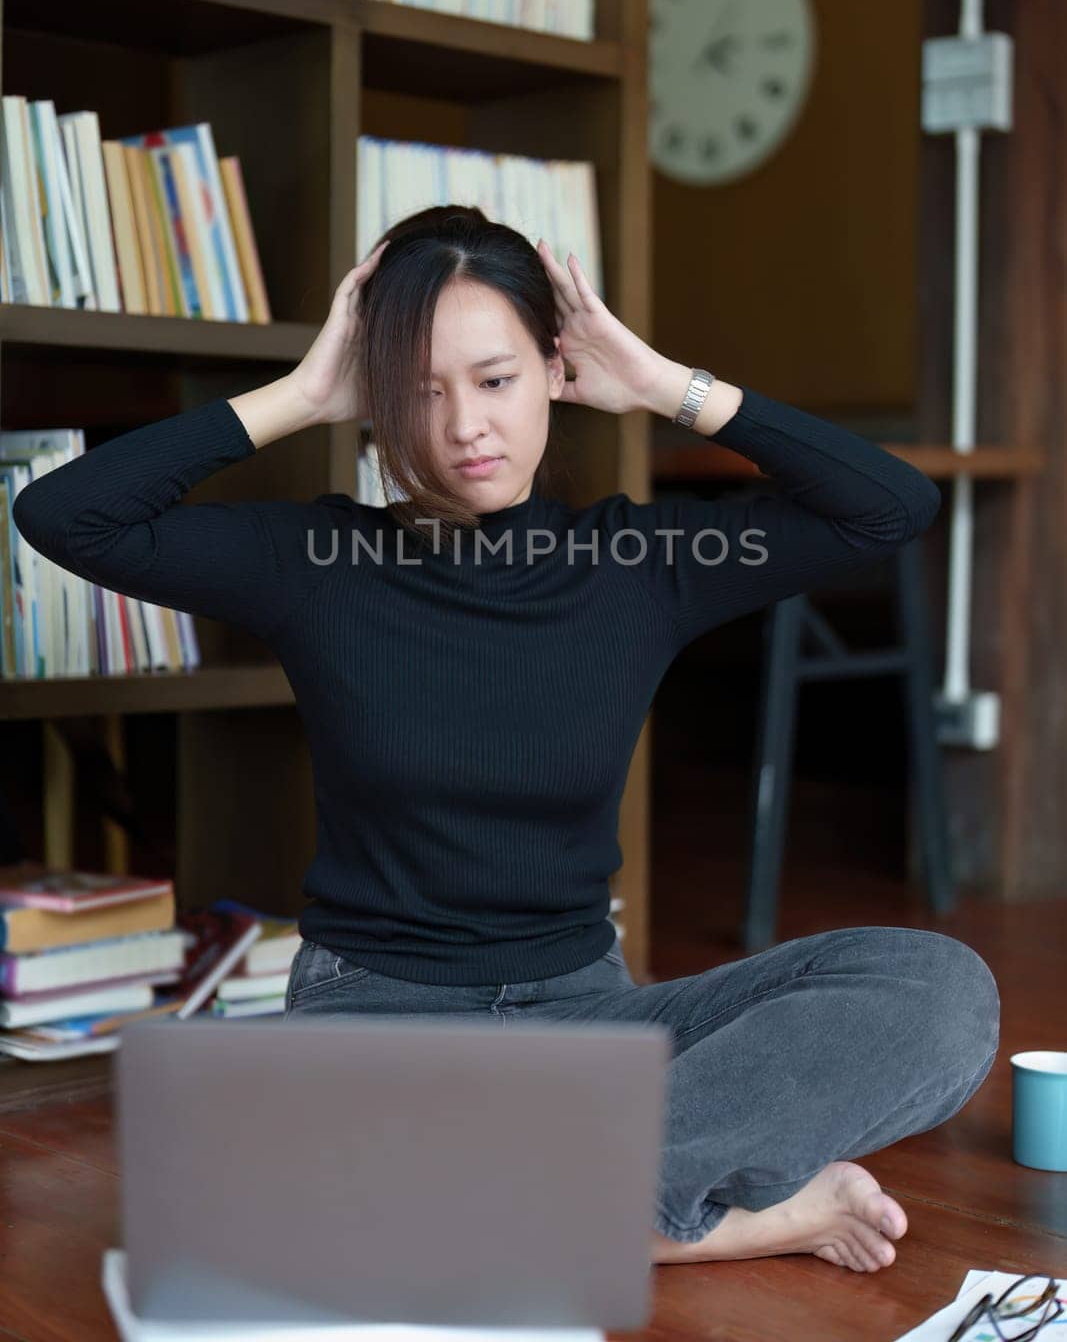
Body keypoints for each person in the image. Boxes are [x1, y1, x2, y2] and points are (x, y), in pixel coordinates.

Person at [12, 204, 999, 1275]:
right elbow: (67, 516)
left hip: (584, 1020)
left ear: (553, 370)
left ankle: (556, 1207)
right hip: (374, 1016)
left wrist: (666, 385)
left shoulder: (640, 562)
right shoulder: (317, 562)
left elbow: (887, 508)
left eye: (494, 379)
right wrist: (303, 394)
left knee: (940, 995)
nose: (463, 426)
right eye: (419, 390)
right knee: (215, 1149)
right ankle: (703, 1221)